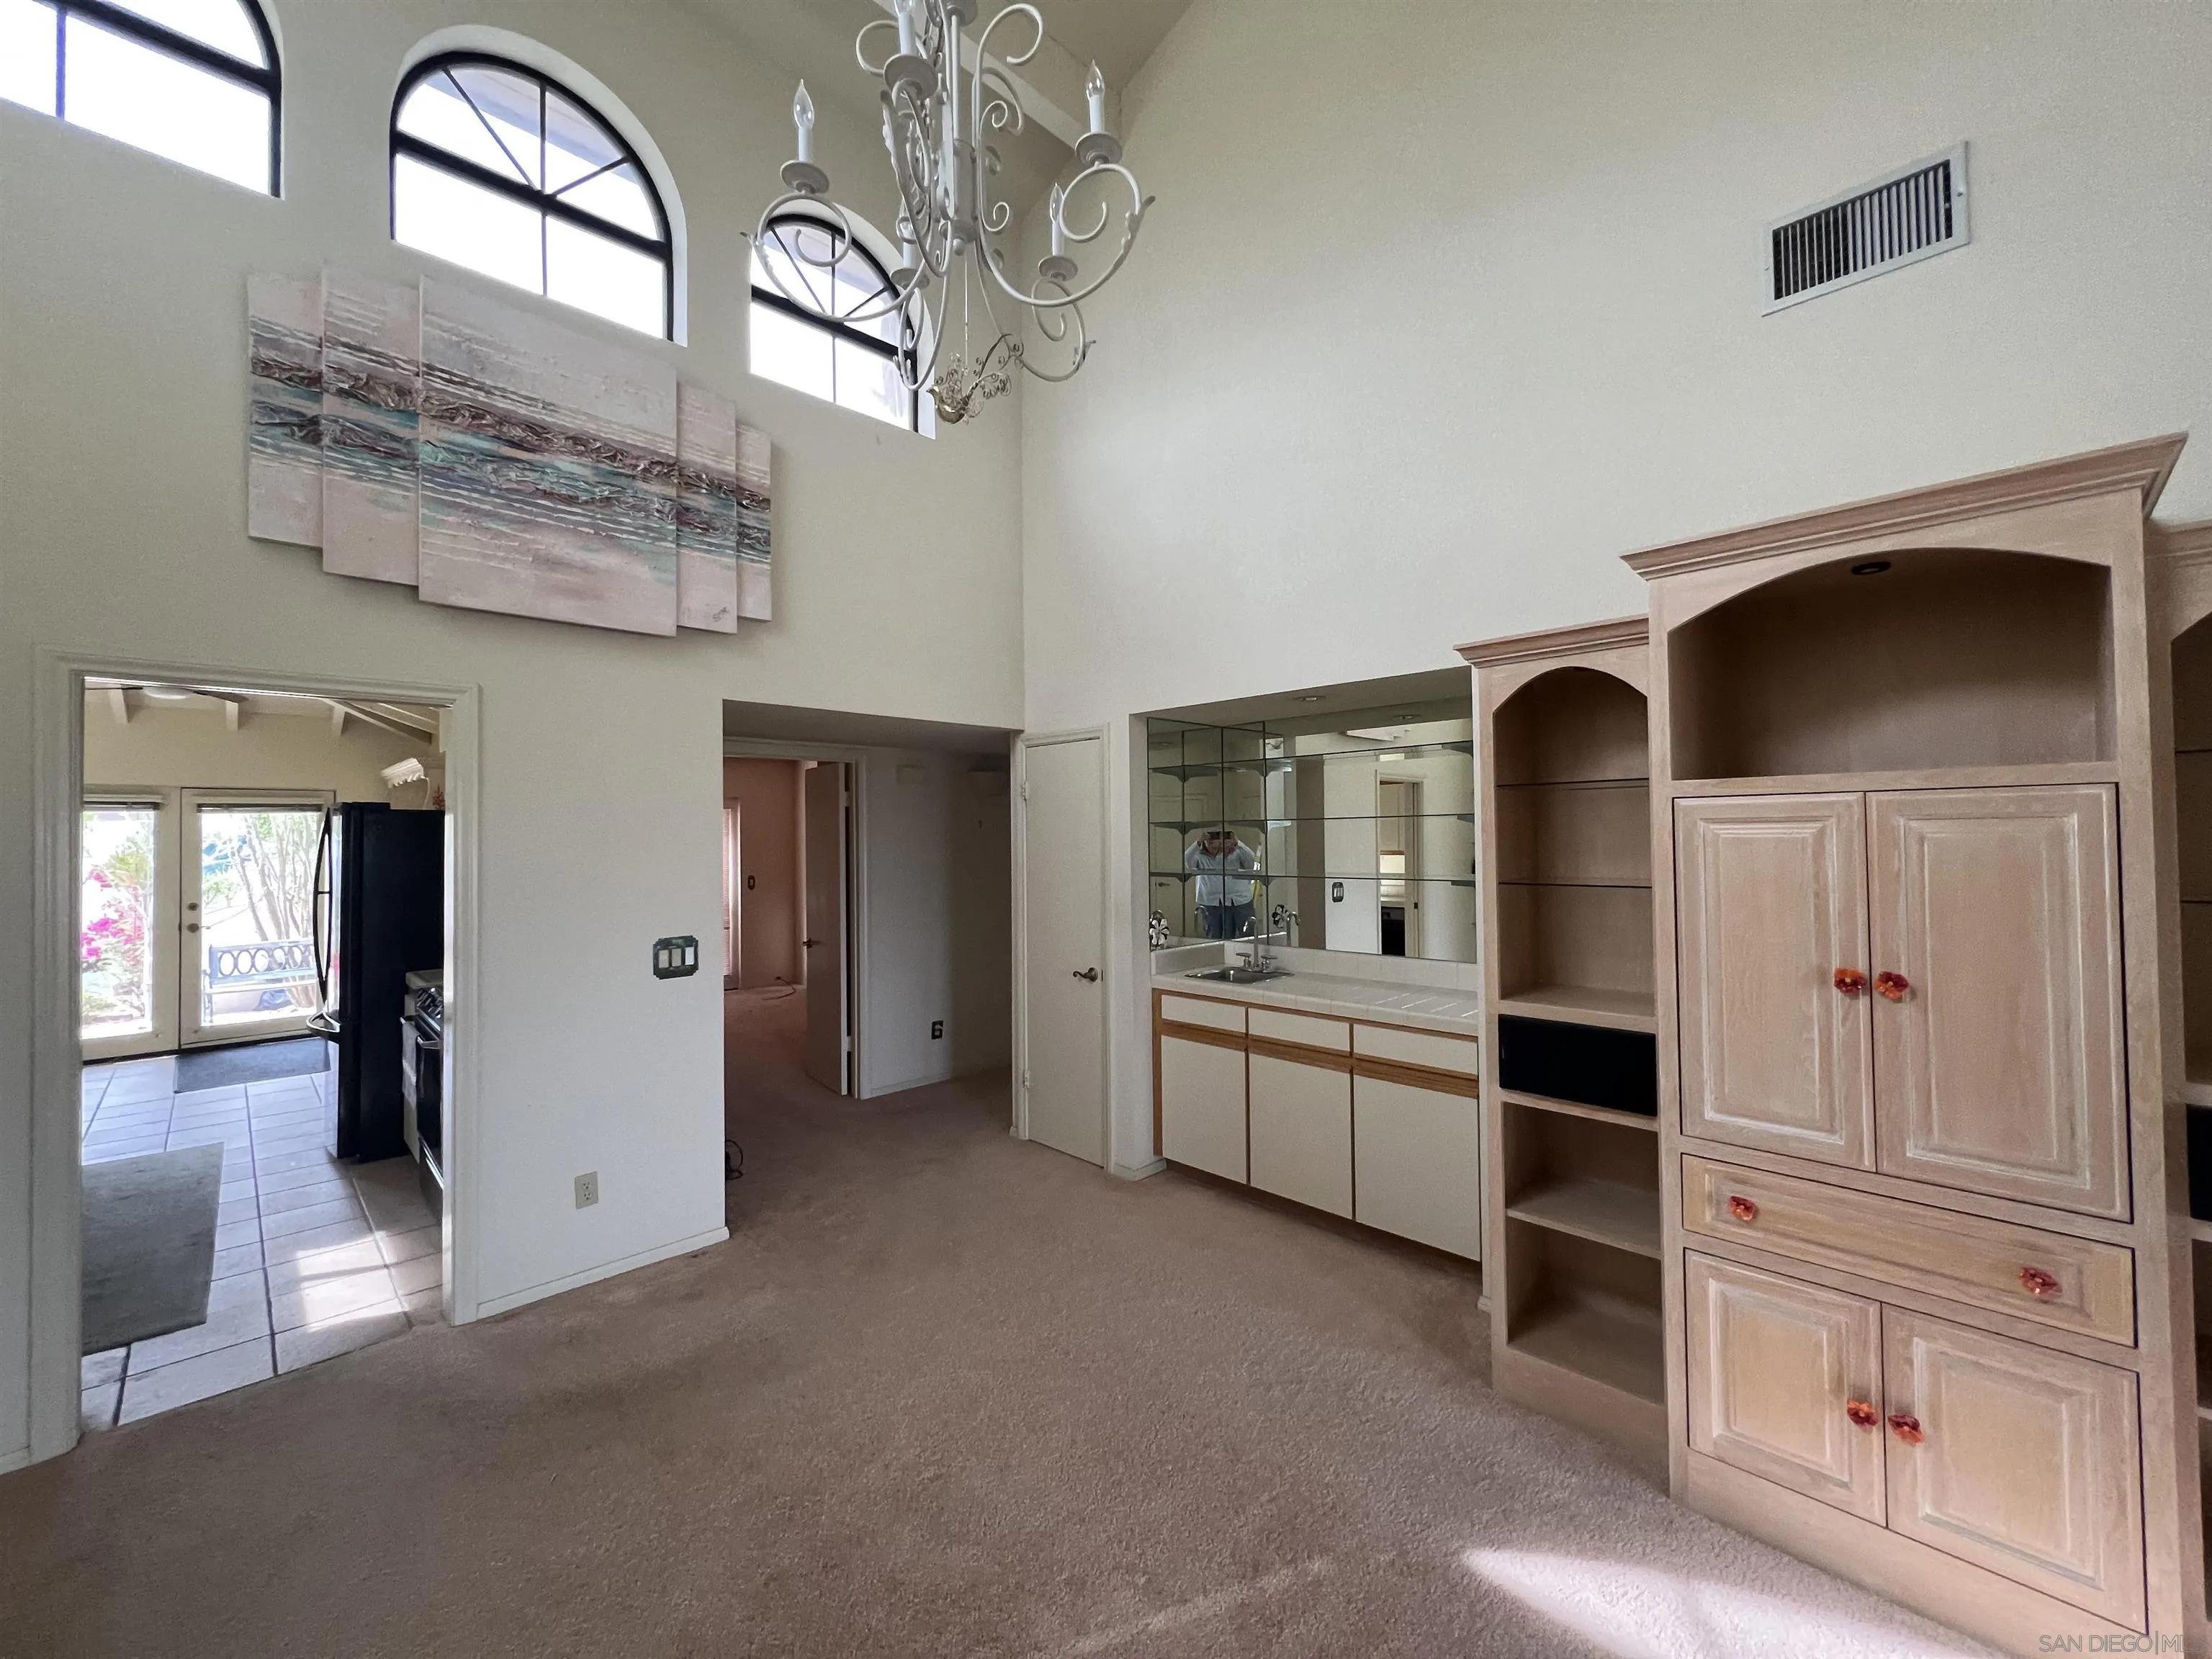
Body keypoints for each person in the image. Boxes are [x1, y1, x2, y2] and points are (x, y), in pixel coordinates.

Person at [1184, 827, 1259, 940]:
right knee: (1214, 936)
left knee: (1246, 936)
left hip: (1240, 900)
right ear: (1205, 843)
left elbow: (1251, 862)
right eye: (1212, 845)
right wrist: (1197, 843)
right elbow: (1188, 862)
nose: (1216, 849)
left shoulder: (1237, 852)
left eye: (1218, 844)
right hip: (1211, 902)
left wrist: (1237, 843)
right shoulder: (1199, 855)